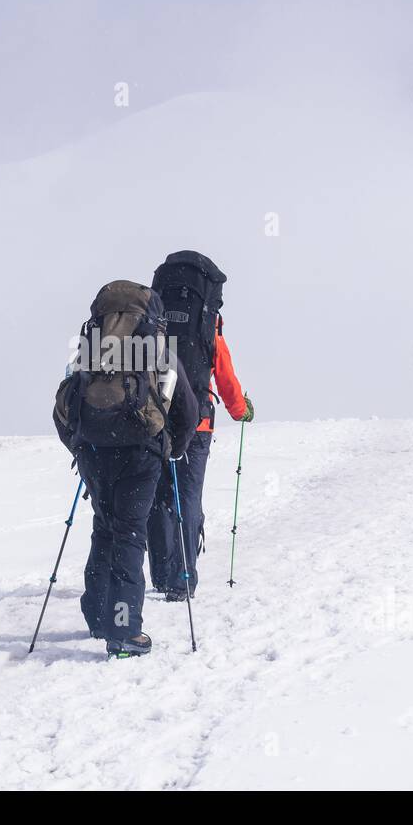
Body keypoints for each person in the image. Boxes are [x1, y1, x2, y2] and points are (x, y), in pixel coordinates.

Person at [53, 280, 198, 657]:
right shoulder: (158, 348)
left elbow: (63, 407)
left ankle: (99, 618)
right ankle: (124, 630)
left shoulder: (89, 348)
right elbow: (188, 411)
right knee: (131, 534)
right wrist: (172, 450)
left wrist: (80, 447)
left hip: (94, 452)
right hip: (141, 454)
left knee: (105, 529)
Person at [146, 252, 254, 602]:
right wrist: (240, 411)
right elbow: (223, 374)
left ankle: (162, 575)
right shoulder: (208, 324)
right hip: (197, 424)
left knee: (159, 494)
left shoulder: (155, 323)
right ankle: (183, 578)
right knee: (187, 496)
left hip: (154, 419)